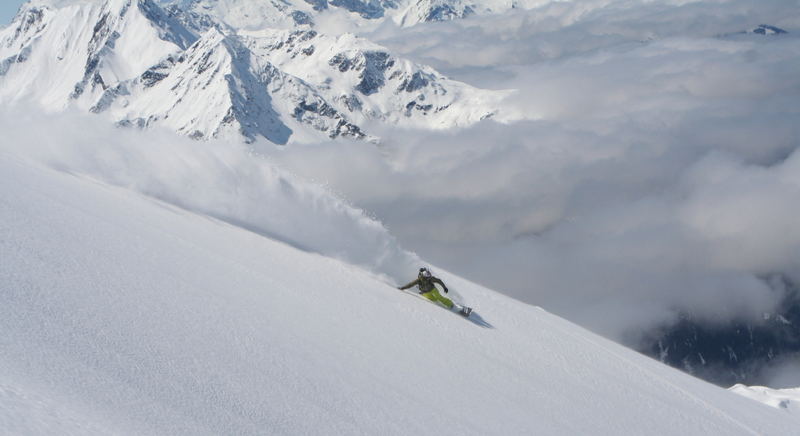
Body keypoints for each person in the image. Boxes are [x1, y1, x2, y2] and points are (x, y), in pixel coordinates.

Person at [399, 267, 471, 316]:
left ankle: (452, 305)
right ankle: (442, 304)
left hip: (433, 290)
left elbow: (438, 281)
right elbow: (410, 284)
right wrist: (403, 288)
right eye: (427, 275)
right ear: (423, 276)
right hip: (425, 293)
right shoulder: (418, 280)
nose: (429, 276)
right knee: (433, 300)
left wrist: (444, 287)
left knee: (439, 297)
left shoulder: (430, 278)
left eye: (429, 275)